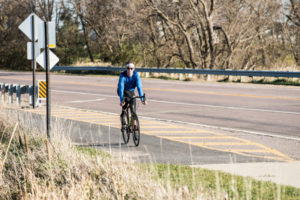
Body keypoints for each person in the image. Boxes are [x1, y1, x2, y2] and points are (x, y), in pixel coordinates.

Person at [117, 61, 147, 127]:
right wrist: (121, 100)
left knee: (133, 110)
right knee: (125, 104)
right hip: (123, 91)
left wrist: (142, 99)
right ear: (126, 68)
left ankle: (134, 126)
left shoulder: (136, 75)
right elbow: (121, 88)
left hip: (131, 92)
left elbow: (139, 87)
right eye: (128, 68)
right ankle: (123, 115)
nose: (129, 70)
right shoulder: (122, 76)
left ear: (134, 69)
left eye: (131, 68)